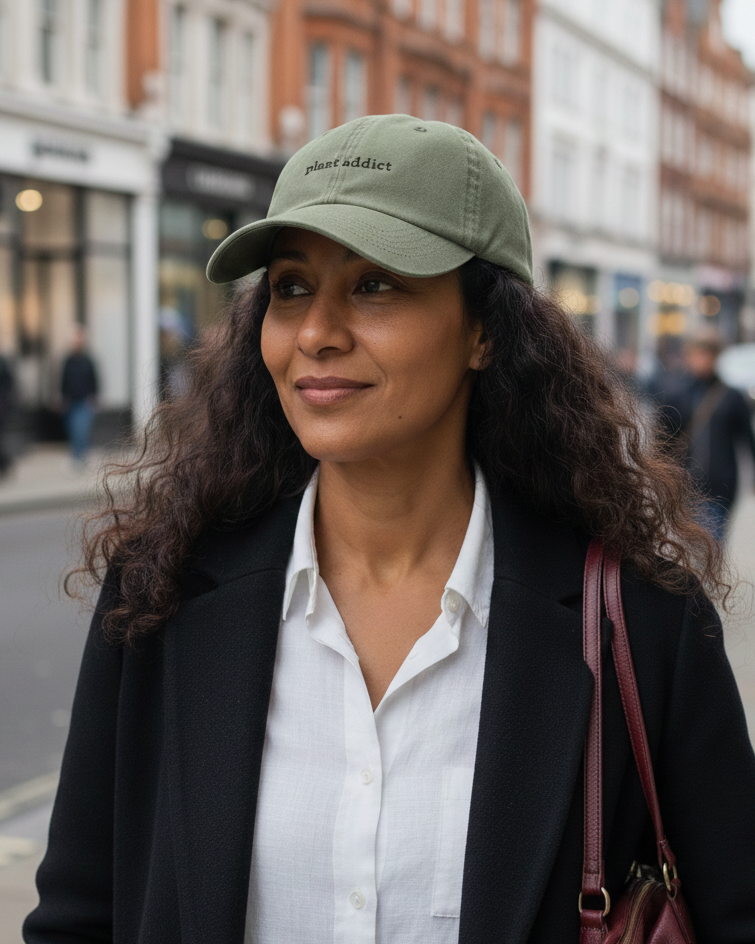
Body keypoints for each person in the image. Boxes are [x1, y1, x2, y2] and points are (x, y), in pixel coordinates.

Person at [25, 116, 755, 944]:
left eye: (375, 284)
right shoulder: (162, 593)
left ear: (485, 329)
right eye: (291, 287)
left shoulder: (636, 618)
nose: (315, 333)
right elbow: (80, 914)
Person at [657, 326, 755, 542]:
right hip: (684, 486)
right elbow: (661, 441)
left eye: (707, 354)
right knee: (689, 548)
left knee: (711, 546)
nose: (701, 359)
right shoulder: (675, 395)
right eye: (697, 353)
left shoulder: (731, 397)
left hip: (720, 487)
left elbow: (747, 438)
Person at [60, 326, 98, 468]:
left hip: (84, 400)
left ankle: (83, 456)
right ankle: (76, 456)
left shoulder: (88, 360)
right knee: (73, 429)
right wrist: (63, 397)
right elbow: (64, 380)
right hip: (71, 400)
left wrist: (93, 396)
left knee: (82, 428)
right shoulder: (68, 361)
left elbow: (94, 380)